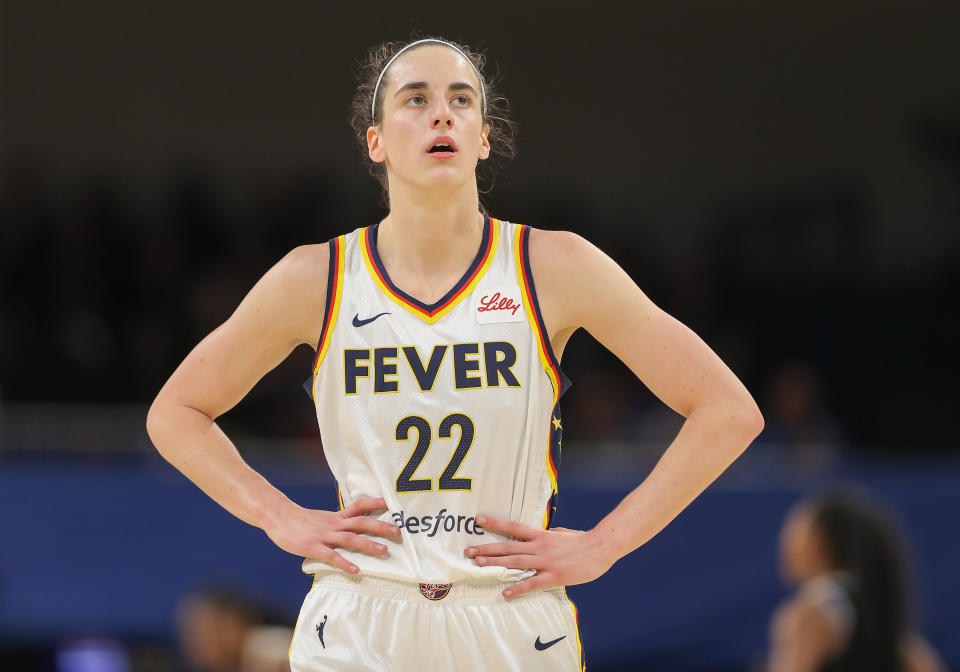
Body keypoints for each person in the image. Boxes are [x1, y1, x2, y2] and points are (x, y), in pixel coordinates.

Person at [146, 35, 764, 671]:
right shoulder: (317, 278)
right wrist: (278, 517)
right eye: (415, 99)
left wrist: (606, 544)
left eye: (460, 100)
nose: (441, 113)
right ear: (376, 141)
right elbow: (176, 413)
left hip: (508, 614)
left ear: (484, 138)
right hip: (362, 615)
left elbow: (728, 411)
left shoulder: (552, 266)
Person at [767, 490, 945, 672]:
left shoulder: (810, 615)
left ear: (821, 544)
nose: (783, 544)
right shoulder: (902, 643)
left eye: (794, 533)